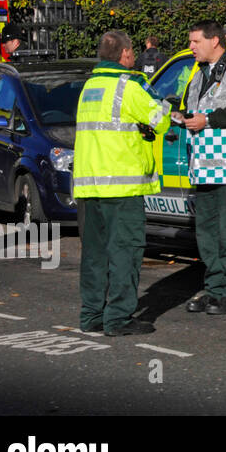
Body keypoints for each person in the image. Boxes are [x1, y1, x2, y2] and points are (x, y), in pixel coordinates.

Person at [73, 30, 171, 335]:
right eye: (131, 53)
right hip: (122, 186)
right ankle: (118, 318)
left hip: (90, 185)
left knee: (94, 254)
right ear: (125, 54)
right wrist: (166, 105)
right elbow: (160, 119)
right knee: (124, 252)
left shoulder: (89, 86)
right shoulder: (129, 86)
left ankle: (91, 315)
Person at [174, 20, 226, 315]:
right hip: (204, 168)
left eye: (196, 41)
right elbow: (190, 106)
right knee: (207, 233)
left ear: (215, 41)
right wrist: (179, 116)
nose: (191, 47)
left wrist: (206, 120)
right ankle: (216, 288)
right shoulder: (199, 75)